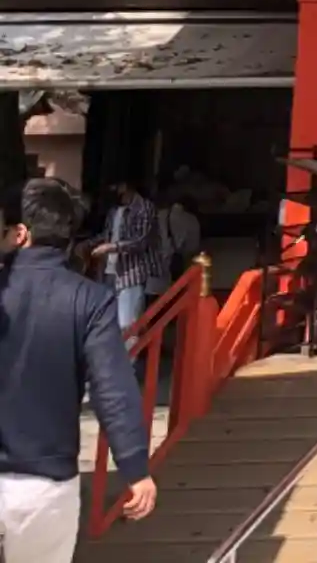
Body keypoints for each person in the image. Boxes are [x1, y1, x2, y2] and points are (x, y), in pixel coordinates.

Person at [0, 179, 157, 562]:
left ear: (21, 234)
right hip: (45, 488)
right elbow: (112, 389)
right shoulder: (90, 299)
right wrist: (135, 466)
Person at [91, 182, 163, 336]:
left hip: (131, 273)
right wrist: (89, 243)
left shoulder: (144, 208)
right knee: (108, 324)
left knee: (128, 326)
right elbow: (108, 235)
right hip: (109, 272)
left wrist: (112, 247)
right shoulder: (114, 210)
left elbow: (140, 241)